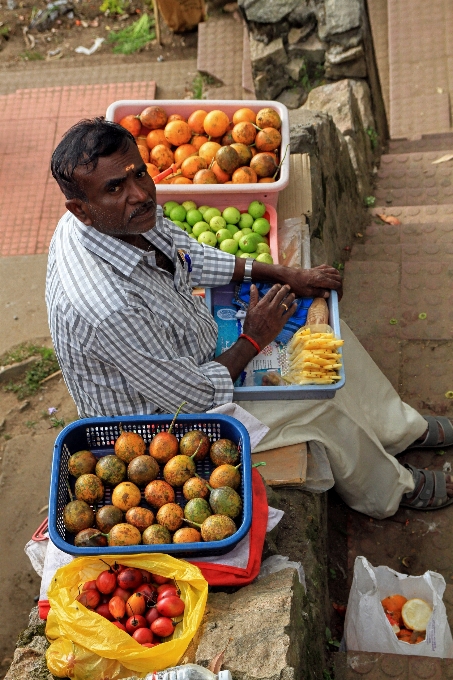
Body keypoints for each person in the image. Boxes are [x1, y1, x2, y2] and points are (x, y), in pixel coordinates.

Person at [46, 118, 453, 519]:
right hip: (164, 429)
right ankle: (393, 491)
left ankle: (400, 429)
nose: (139, 194)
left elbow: (190, 254)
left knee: (323, 337)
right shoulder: (107, 308)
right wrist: (254, 338)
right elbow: (196, 398)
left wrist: (286, 274)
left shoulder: (123, 219)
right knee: (316, 405)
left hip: (195, 358)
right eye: (116, 187)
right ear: (80, 209)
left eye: (139, 174)